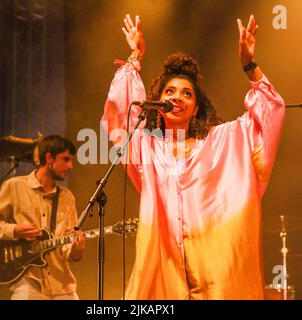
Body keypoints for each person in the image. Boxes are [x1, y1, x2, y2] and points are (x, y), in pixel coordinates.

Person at [101, 14, 285, 299]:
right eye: (170, 91)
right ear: (158, 101)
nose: (177, 97)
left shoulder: (223, 140)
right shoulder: (146, 148)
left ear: (196, 107)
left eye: (186, 93)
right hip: (163, 272)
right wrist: (135, 54)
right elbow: (119, 114)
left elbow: (269, 114)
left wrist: (250, 65)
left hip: (218, 275)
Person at [0, 135, 85, 300]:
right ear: (49, 158)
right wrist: (14, 230)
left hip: (63, 286)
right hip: (27, 283)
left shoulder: (67, 197)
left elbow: (67, 245)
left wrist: (75, 251)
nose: (70, 166)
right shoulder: (14, 186)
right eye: (66, 159)